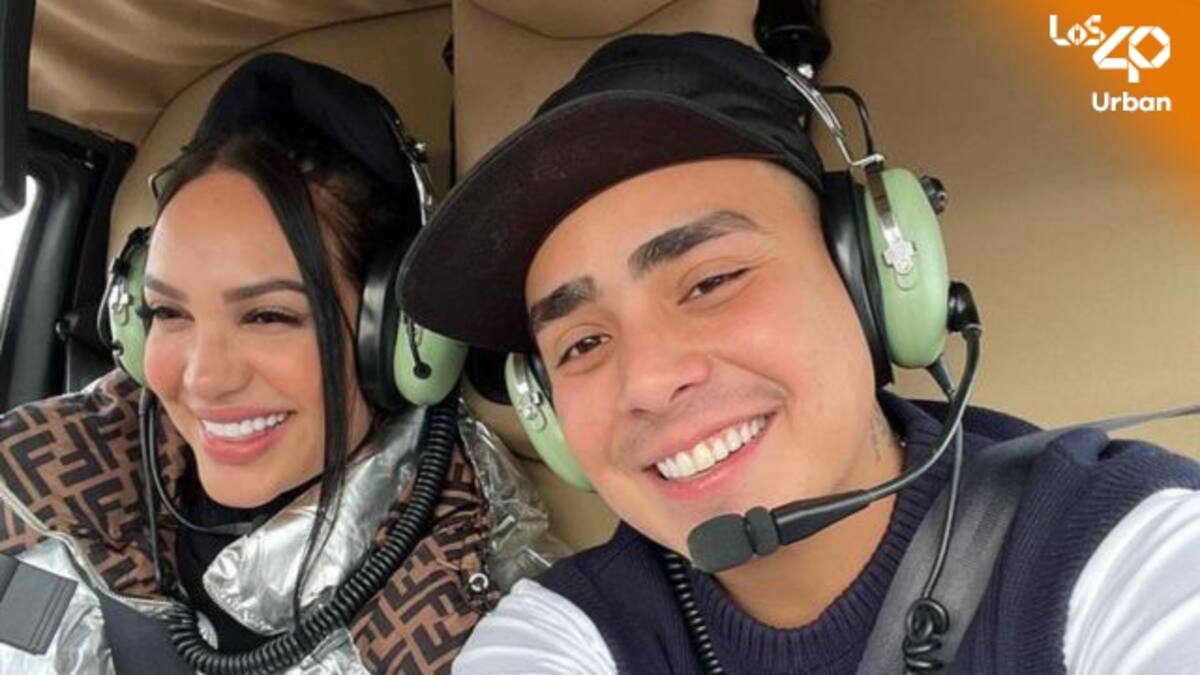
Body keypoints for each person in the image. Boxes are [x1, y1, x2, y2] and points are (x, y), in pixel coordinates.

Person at [397, 33, 1200, 674]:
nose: (648, 379)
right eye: (582, 343)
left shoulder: (1125, 548)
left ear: (871, 281)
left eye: (711, 281)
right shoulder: (567, 630)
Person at [0, 54, 552, 674]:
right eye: (167, 312)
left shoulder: (475, 598)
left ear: (397, 337)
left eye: (267, 316)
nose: (203, 379)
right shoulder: (36, 485)